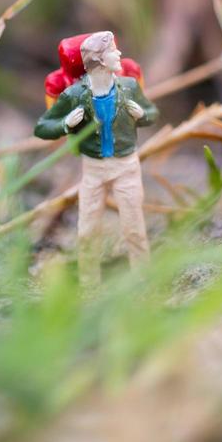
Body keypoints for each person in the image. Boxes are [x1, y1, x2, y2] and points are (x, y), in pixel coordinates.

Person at [33, 31, 160, 289]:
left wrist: (141, 114)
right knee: (88, 231)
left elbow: (152, 113)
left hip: (126, 165)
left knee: (134, 228)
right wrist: (66, 125)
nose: (120, 55)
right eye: (114, 51)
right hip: (93, 169)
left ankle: (144, 280)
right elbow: (42, 127)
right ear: (99, 61)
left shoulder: (130, 86)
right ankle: (89, 285)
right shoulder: (73, 95)